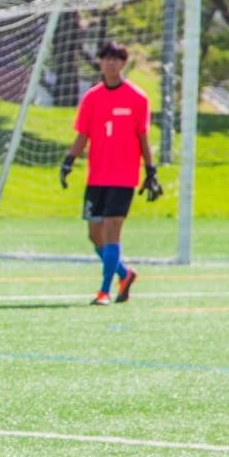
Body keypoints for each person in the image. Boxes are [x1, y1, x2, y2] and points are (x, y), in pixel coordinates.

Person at [59, 42, 163, 306]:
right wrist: (68, 161)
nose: (111, 63)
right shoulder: (92, 97)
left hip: (124, 177)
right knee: (95, 235)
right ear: (100, 62)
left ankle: (104, 291)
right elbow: (83, 135)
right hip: (97, 177)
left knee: (112, 230)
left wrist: (151, 170)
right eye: (106, 58)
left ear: (123, 63)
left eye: (116, 59)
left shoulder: (137, 98)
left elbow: (142, 137)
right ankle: (124, 274)